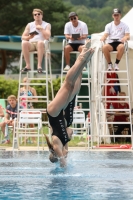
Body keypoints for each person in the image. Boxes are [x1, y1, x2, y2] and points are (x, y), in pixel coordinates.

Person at [45, 39, 94, 167]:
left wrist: (63, 161)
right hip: (60, 110)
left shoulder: (57, 144)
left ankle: (82, 55)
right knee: (72, 87)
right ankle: (83, 61)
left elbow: (63, 163)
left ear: (56, 154)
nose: (71, 134)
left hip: (53, 112)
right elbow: (67, 137)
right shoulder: (65, 141)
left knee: (68, 85)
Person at [21, 8, 51, 73]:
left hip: (42, 44)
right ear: (33, 16)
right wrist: (29, 37)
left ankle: (39, 66)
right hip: (31, 43)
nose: (37, 15)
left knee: (40, 42)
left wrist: (42, 29)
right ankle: (28, 65)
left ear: (42, 15)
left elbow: (48, 37)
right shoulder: (29, 25)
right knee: (24, 43)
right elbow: (23, 37)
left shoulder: (47, 25)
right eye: (35, 14)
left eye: (38, 14)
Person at [20, 77, 38, 143]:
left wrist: (29, 99)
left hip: (30, 107)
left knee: (31, 123)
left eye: (26, 81)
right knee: (24, 123)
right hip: (23, 107)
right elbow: (18, 99)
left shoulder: (32, 89)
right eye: (24, 81)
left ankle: (34, 139)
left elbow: (36, 100)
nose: (25, 82)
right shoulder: (21, 89)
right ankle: (25, 138)